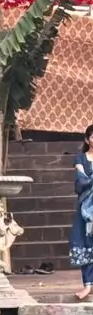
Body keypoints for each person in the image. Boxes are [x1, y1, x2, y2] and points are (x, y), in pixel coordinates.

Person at [71, 123, 93, 301]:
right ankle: (88, 285)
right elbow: (82, 181)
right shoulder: (80, 159)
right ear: (87, 139)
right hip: (86, 209)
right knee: (85, 245)